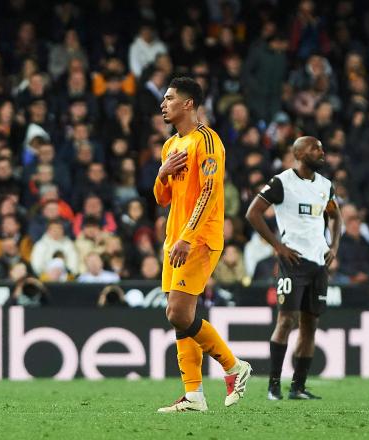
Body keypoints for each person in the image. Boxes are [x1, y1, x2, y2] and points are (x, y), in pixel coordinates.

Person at [153, 77, 251, 413]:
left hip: (198, 237)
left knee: (177, 312)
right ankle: (194, 394)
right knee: (181, 317)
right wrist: (162, 172)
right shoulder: (170, 146)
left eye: (169, 98)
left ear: (188, 103)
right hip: (175, 238)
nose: (163, 104)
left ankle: (234, 367)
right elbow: (161, 197)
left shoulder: (207, 141)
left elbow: (209, 193)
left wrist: (187, 236)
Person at [245, 136, 342, 400]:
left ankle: (298, 387)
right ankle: (273, 385)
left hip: (318, 263)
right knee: (286, 320)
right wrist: (278, 247)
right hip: (293, 262)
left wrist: (333, 246)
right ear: (298, 153)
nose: (321, 152)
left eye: (322, 148)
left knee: (311, 324)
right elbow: (253, 213)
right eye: (315, 148)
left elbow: (334, 215)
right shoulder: (281, 182)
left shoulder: (325, 186)